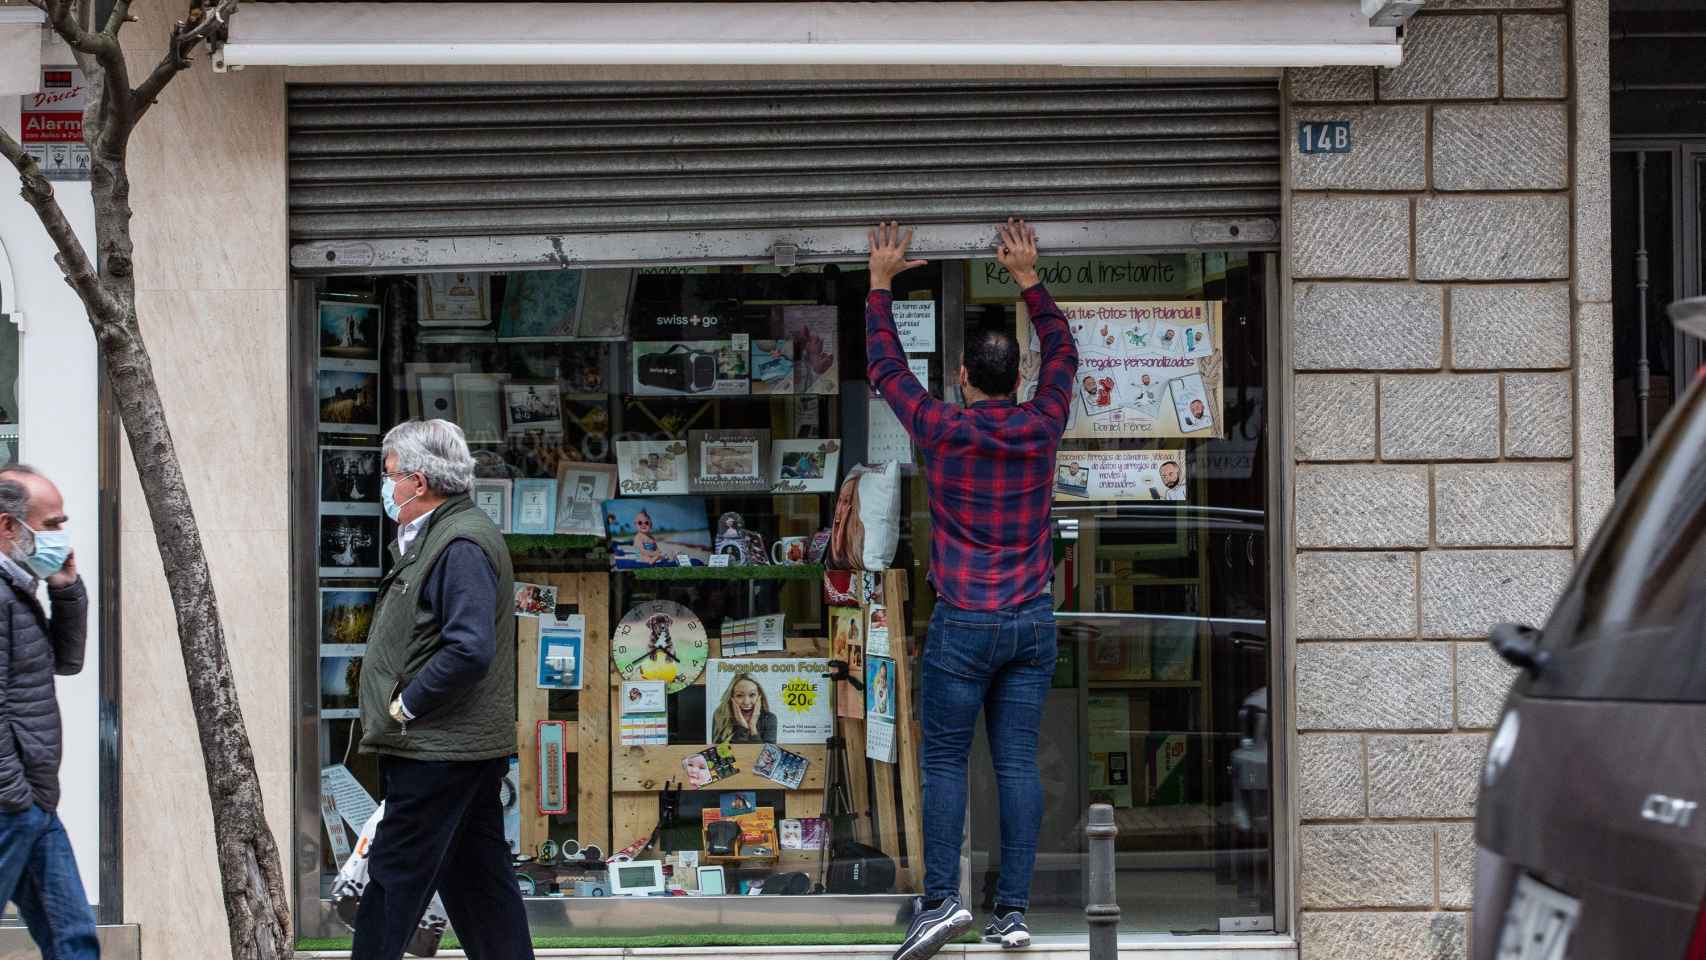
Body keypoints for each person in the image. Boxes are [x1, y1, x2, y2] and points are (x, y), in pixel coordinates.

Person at [866, 220, 1077, 959]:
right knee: (1017, 762)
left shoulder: (940, 429)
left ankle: (942, 905)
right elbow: (1066, 355)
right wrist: (1029, 278)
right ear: (1015, 379)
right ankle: (1012, 913)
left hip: (963, 626)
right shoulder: (1042, 423)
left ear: (961, 377)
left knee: (946, 763)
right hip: (1029, 622)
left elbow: (887, 372)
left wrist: (881, 282)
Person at [353, 419, 532, 960]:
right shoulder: (441, 535)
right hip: (455, 747)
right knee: (481, 885)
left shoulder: (459, 543)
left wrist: (407, 705)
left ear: (422, 481)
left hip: (436, 748)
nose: (386, 487)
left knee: (392, 880)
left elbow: (469, 648)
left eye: (391, 476)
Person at [0, 466, 96, 960]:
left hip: (33, 803)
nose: (61, 535)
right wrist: (14, 794)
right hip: (12, 803)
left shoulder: (19, 587)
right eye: (52, 524)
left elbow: (67, 660)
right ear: (8, 527)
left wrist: (66, 587)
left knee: (73, 938)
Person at [712, 673, 778, 743]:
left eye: (752, 695)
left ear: (759, 696)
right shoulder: (720, 715)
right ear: (731, 697)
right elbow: (720, 752)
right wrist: (743, 727)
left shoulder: (769, 718)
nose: (746, 702)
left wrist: (752, 727)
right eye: (739, 695)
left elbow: (767, 753)